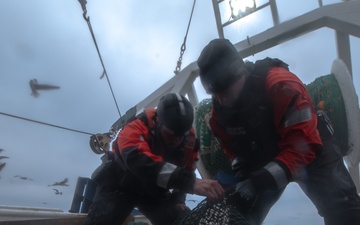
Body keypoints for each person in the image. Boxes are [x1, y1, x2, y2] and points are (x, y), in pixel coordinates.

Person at [196, 38, 360, 225]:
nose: (220, 99)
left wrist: (260, 182)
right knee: (234, 215)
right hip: (261, 154)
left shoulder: (282, 86)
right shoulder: (219, 113)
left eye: (224, 91)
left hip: (308, 145)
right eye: (214, 94)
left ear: (239, 74)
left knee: (343, 210)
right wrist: (240, 170)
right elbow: (227, 144)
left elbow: (303, 145)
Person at [85, 93, 224, 225]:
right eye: (170, 134)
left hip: (152, 189)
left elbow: (187, 169)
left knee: (179, 221)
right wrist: (190, 183)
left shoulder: (189, 142)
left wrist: (178, 200)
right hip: (120, 182)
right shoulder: (135, 128)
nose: (176, 140)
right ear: (158, 121)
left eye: (181, 135)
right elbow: (140, 163)